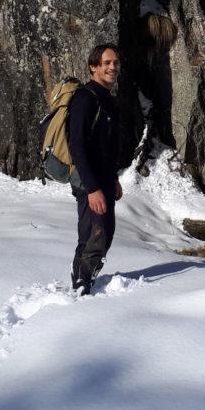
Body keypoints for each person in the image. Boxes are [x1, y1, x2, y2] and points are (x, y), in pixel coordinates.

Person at [68, 43, 124, 295]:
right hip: (89, 181)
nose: (113, 67)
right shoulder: (84, 98)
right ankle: (82, 284)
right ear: (93, 67)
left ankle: (80, 278)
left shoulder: (107, 100)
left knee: (98, 231)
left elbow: (107, 147)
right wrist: (92, 188)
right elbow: (77, 146)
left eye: (115, 63)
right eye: (106, 63)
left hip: (103, 179)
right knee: (97, 232)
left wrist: (112, 179)